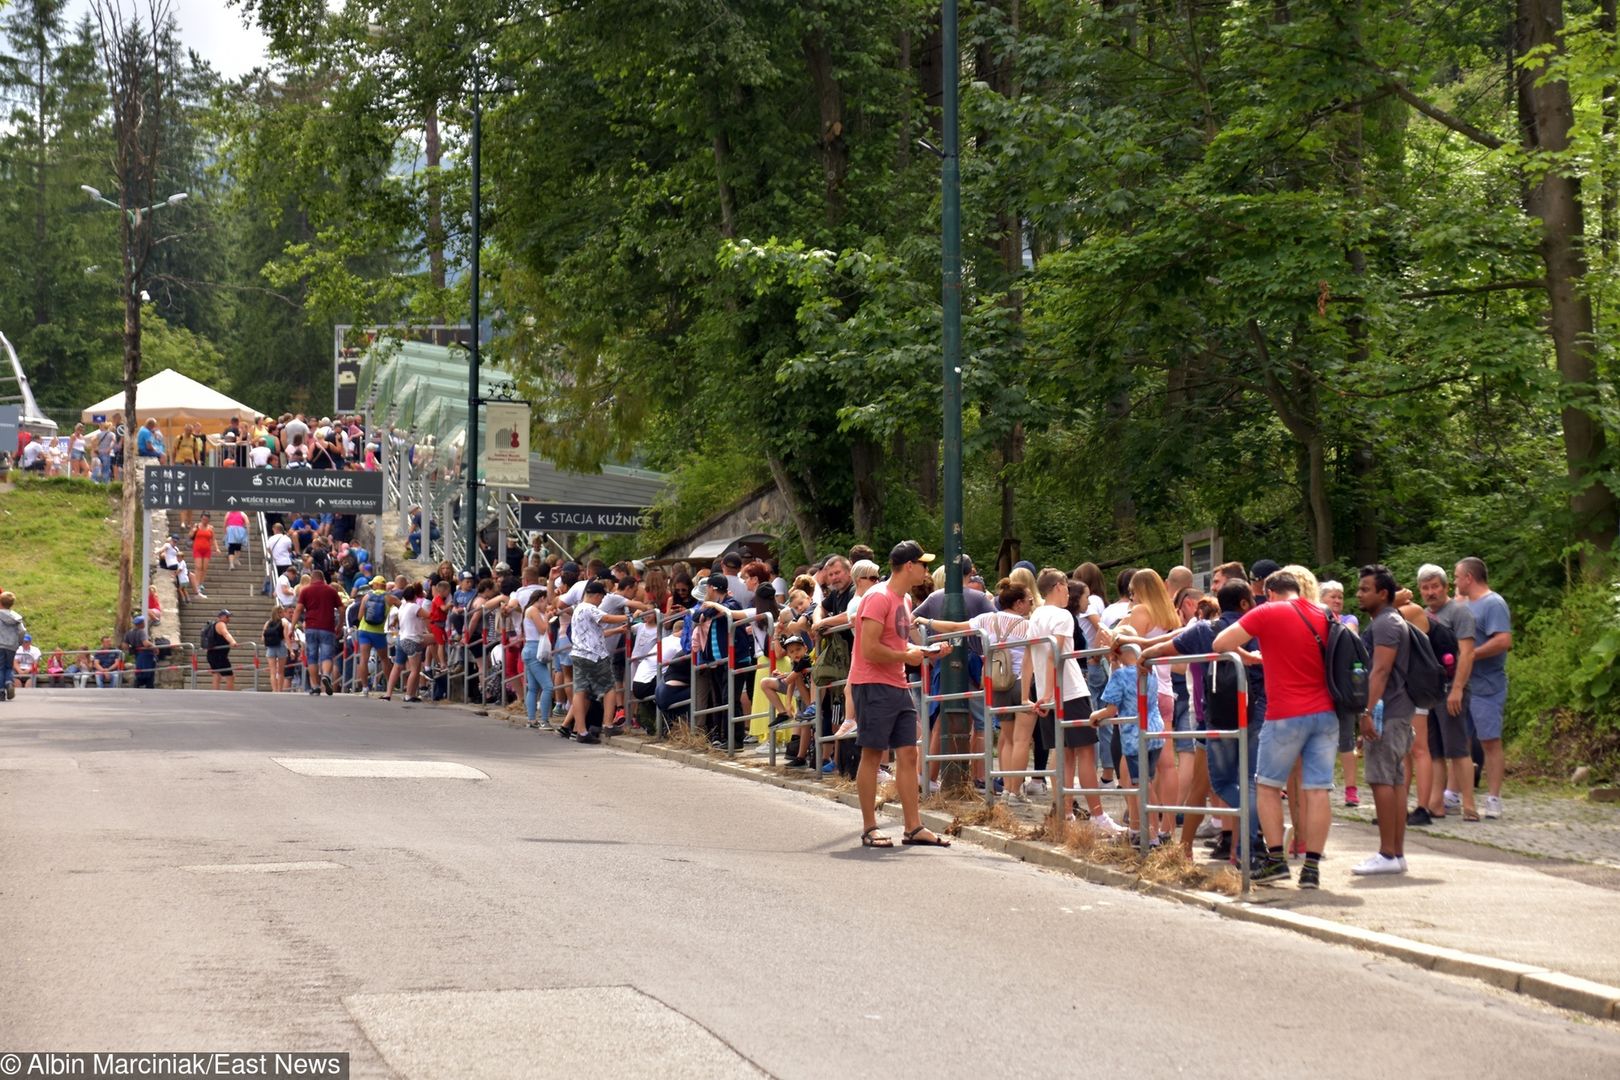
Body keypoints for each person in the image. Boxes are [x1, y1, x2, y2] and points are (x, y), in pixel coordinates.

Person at [1212, 571, 1335, 888]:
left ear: (1270, 592)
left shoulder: (1267, 611)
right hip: (1325, 712)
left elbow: (1220, 642)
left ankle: (1276, 860)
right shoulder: (1323, 614)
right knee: (1318, 790)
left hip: (1285, 714)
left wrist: (1249, 655)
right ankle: (1311, 869)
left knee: (1266, 786)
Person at [852, 541, 949, 849]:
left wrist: (925, 651)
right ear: (909, 566)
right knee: (872, 754)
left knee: (908, 754)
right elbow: (869, 649)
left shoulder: (905, 600)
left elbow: (896, 645)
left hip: (896, 684)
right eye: (923, 565)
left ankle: (913, 827)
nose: (926, 570)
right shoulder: (877, 597)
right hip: (872, 684)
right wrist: (906, 657)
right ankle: (870, 827)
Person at [1027, 569, 1121, 832]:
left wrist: (1036, 692)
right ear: (1058, 587)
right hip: (1069, 691)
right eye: (1067, 587)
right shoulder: (1062, 616)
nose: (1069, 592)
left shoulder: (1036, 615)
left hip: (1051, 694)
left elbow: (1034, 655)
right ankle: (1098, 815)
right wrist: (1047, 692)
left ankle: (1066, 813)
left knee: (1065, 755)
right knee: (1086, 755)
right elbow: (1055, 653)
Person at [1354, 564, 1418, 875]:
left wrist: (1367, 713)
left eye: (1365, 589)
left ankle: (1387, 853)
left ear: (1383, 593)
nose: (1359, 594)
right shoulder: (1391, 621)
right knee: (1394, 780)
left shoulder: (1385, 625)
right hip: (1397, 711)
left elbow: (1380, 671)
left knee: (1382, 778)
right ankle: (1396, 854)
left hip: (1387, 712)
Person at [1413, 563, 1479, 822]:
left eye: (1435, 586)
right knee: (1435, 750)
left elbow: (1467, 652)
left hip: (1452, 689)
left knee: (1458, 748)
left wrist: (1458, 689)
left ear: (1445, 587)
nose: (1431, 592)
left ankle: (1470, 806)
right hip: (1429, 692)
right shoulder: (1422, 616)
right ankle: (1435, 804)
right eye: (1426, 587)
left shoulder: (1460, 613)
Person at [1456, 556, 1511, 819]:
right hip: (1463, 685)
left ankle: (1493, 798)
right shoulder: (1463, 604)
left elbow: (1503, 640)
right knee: (1460, 741)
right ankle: (1455, 793)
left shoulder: (1493, 603)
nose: (1455, 582)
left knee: (1489, 740)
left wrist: (1471, 655)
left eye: (1457, 577)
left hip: (1487, 685)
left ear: (1469, 577)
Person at [292, 569, 343, 696]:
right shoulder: (330, 590)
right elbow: (342, 608)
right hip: (327, 627)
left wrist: (292, 627)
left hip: (311, 627)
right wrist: (340, 625)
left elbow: (298, 609)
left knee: (312, 657)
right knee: (326, 656)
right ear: (323, 579)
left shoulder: (306, 591)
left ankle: (315, 686)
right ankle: (325, 675)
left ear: (312, 579)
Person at [353, 575, 392, 697]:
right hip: (379, 632)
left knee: (364, 659)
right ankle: (389, 686)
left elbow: (359, 617)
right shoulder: (389, 598)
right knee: (385, 659)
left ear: (376, 585)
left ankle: (365, 688)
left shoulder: (367, 596)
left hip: (364, 631)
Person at [205, 610, 237, 691]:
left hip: (212, 654)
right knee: (230, 676)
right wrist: (232, 641)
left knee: (217, 675)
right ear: (221, 617)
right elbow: (226, 634)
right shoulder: (221, 624)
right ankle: (231, 695)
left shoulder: (213, 625)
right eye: (227, 616)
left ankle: (215, 694)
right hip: (219, 656)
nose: (229, 618)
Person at [264, 605, 292, 692]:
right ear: (280, 613)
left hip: (270, 647)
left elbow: (263, 637)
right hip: (281, 646)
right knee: (280, 671)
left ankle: (274, 689)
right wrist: (291, 650)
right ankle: (280, 690)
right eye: (283, 612)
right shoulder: (284, 623)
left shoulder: (268, 623)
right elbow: (286, 637)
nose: (284, 613)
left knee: (272, 672)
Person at [124, 616, 157, 689]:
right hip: (146, 655)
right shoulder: (141, 632)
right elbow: (145, 643)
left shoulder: (129, 633)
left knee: (140, 670)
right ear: (141, 624)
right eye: (143, 622)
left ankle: (138, 684)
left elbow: (125, 646)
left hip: (137, 655)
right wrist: (154, 647)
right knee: (149, 671)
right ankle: (148, 686)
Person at [190, 513, 215, 594]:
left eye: (206, 519)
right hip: (197, 549)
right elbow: (190, 536)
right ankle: (196, 584)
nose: (205, 521)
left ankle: (200, 583)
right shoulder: (196, 526)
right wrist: (193, 531)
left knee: (204, 568)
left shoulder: (211, 528)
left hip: (207, 550)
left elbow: (213, 539)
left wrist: (216, 548)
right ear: (201, 518)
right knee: (198, 567)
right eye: (203, 519)